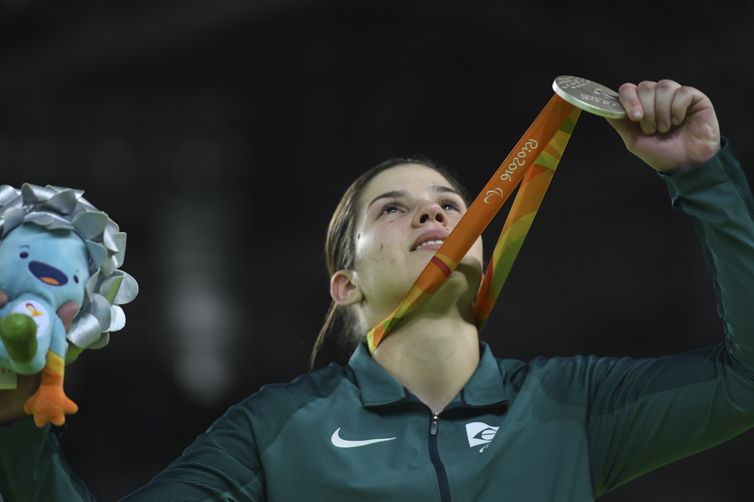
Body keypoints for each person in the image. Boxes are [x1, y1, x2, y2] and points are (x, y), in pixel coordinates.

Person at [0, 79, 752, 501]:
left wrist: (703, 177)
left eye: (453, 205)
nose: (433, 211)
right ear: (344, 281)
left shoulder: (572, 406)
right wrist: (14, 415)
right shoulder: (274, 430)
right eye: (392, 209)